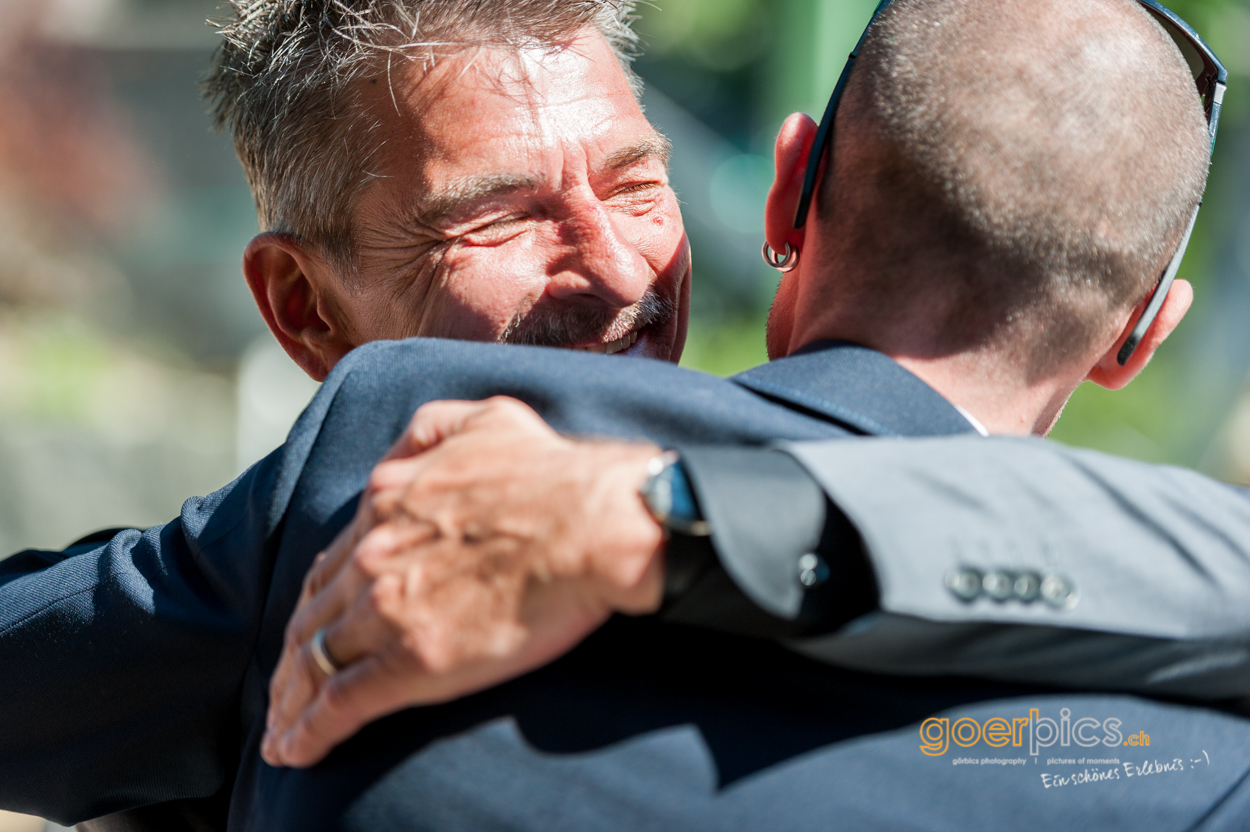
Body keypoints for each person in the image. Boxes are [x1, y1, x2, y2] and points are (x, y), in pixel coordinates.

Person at [0, 0, 1246, 829]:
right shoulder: (1186, 732)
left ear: (789, 191)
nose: (615, 267)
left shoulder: (392, 436)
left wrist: (668, 521)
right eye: (495, 215)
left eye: (637, 180)